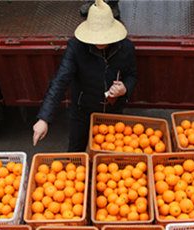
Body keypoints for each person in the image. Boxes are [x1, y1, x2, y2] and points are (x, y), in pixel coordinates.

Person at [33, 0, 137, 152]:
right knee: (76, 152)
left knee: (109, 156)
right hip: (83, 111)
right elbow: (60, 80)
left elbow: (132, 75)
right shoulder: (76, 47)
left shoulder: (126, 47)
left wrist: (125, 88)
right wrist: (44, 118)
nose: (100, 42)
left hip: (113, 112)